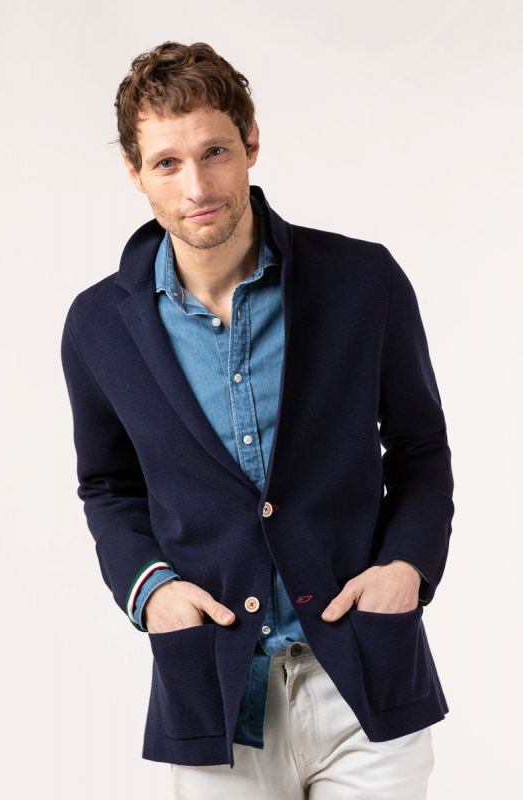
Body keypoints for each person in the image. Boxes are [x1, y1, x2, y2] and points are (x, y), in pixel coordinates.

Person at [60, 40, 455, 799]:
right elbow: (108, 485)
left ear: (251, 144)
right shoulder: (98, 326)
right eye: (167, 163)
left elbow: (418, 447)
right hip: (213, 691)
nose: (197, 185)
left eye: (214, 152)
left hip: (363, 679)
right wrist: (150, 590)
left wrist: (406, 567)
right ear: (135, 172)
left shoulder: (361, 281)